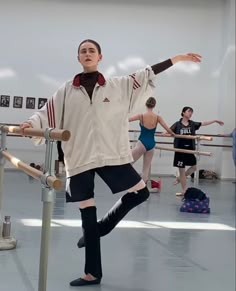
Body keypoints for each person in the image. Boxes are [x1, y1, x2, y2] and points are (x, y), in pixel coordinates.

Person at [20, 39, 201, 286]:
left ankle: (101, 228)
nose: (87, 54)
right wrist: (30, 124)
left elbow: (146, 74)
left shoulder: (118, 86)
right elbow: (44, 113)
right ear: (78, 58)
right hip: (80, 156)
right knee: (87, 214)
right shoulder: (65, 91)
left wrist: (177, 58)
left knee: (140, 192)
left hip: (109, 152)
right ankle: (92, 272)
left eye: (91, 50)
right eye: (83, 51)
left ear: (99, 57)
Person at [171, 106, 224, 196]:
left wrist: (215, 120)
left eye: (192, 112)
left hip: (190, 150)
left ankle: (180, 178)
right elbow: (169, 130)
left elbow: (204, 123)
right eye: (189, 111)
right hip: (180, 150)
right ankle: (184, 190)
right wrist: (165, 133)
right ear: (183, 113)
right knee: (182, 170)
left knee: (194, 167)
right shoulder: (177, 124)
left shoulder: (192, 124)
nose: (190, 113)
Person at [129, 96, 175, 186]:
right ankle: (142, 187)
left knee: (128, 163)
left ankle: (130, 182)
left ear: (146, 104)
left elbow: (127, 120)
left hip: (142, 142)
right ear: (154, 106)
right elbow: (167, 128)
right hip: (151, 144)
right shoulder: (158, 117)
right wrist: (174, 134)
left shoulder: (141, 116)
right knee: (145, 169)